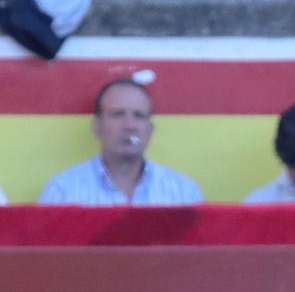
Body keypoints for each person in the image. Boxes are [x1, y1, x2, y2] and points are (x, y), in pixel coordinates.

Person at [38, 79, 203, 207]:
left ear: (150, 129)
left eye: (139, 116)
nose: (129, 126)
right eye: (117, 114)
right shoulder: (63, 191)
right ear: (97, 127)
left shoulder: (183, 192)